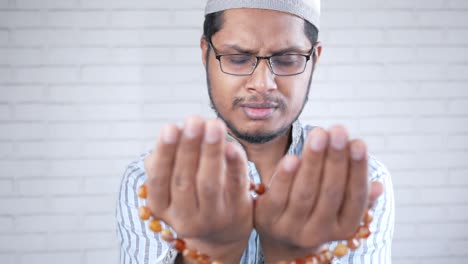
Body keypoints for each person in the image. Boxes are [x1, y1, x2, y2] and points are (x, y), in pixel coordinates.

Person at [116, 0, 395, 263]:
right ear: (206, 54)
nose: (262, 84)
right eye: (238, 58)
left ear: (314, 59)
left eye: (287, 59)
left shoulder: (361, 185)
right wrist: (209, 253)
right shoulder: (150, 182)